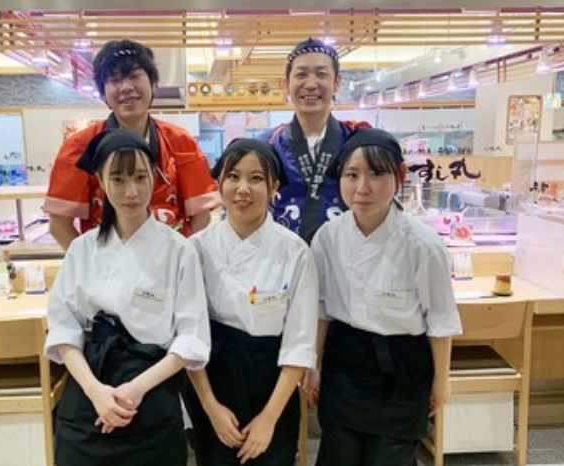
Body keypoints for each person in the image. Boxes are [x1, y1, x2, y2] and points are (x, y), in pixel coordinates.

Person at [44, 128, 211, 466]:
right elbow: (63, 330)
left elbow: (191, 337)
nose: (131, 191)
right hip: (89, 391)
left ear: (155, 178)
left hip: (152, 390)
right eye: (117, 179)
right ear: (100, 182)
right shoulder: (82, 249)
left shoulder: (180, 250)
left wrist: (135, 389)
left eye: (140, 177)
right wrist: (96, 392)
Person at [307, 128, 462, 466]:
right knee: (338, 456)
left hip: (402, 371)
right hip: (343, 366)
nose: (362, 188)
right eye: (352, 175)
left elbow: (440, 318)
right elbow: (320, 309)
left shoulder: (423, 244)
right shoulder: (327, 238)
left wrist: (442, 380)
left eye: (376, 174)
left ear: (400, 176)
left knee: (390, 458)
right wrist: (313, 367)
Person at [183, 139, 318, 465]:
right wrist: (211, 408)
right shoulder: (196, 248)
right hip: (211, 381)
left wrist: (268, 419)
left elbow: (299, 343)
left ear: (274, 186)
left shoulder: (295, 252)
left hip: (272, 385)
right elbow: (188, 335)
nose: (243, 188)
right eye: (233, 176)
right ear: (219, 183)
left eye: (256, 178)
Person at [44, 39, 220, 250]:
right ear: (103, 93)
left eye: (134, 76)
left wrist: (182, 259)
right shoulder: (79, 146)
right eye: (115, 80)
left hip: (169, 262)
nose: (126, 87)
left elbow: (200, 216)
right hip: (107, 264)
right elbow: (59, 224)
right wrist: (89, 263)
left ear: (153, 84)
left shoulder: (180, 141)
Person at [259, 37, 371, 244]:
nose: (311, 84)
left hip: (344, 255)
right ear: (286, 84)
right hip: (282, 257)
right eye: (301, 75)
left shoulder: (357, 142)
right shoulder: (266, 145)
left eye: (321, 74)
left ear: (336, 83)